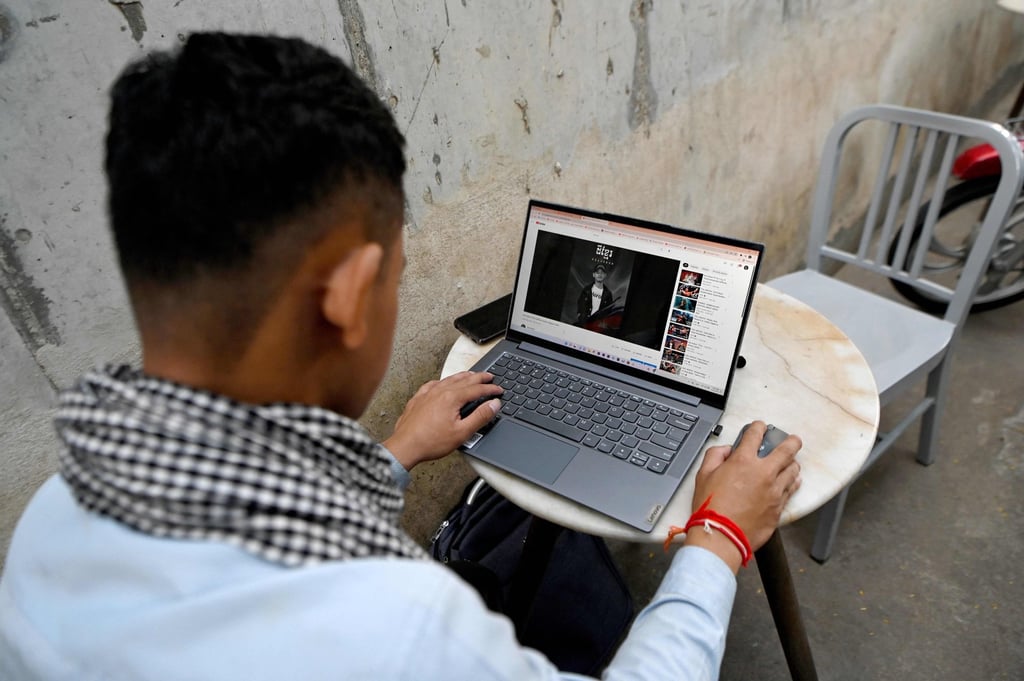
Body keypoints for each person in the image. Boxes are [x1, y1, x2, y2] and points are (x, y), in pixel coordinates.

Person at [0, 32, 802, 680]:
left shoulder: (53, 518)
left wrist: (393, 455)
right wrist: (718, 536)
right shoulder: (395, 626)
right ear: (350, 294)